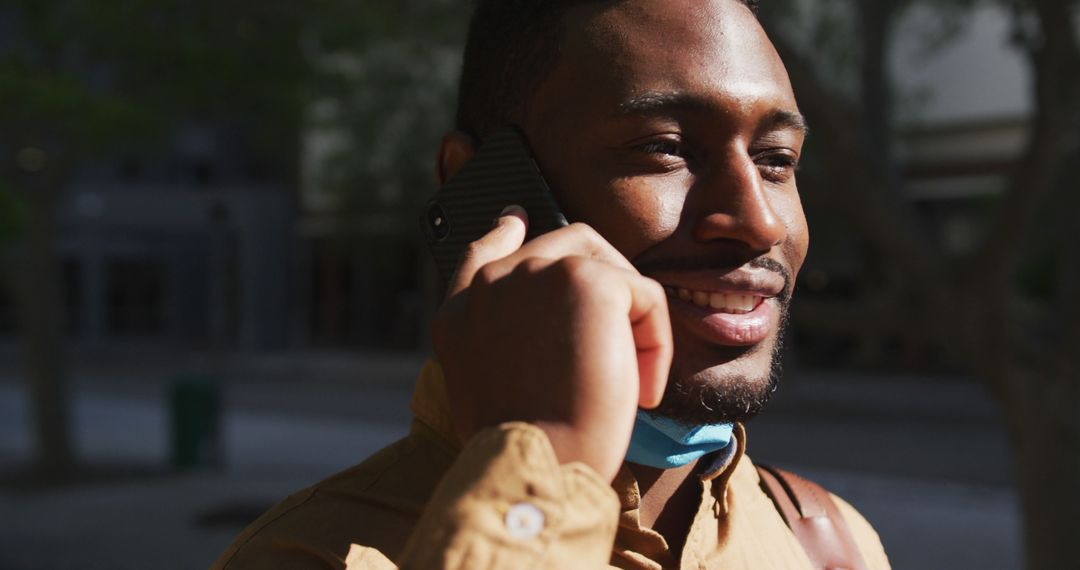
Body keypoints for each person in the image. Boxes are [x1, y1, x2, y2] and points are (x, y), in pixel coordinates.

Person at [213, 0, 891, 568]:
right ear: (476, 188)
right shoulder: (304, 555)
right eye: (665, 148)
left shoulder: (832, 543)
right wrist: (542, 468)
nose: (758, 220)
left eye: (777, 159)